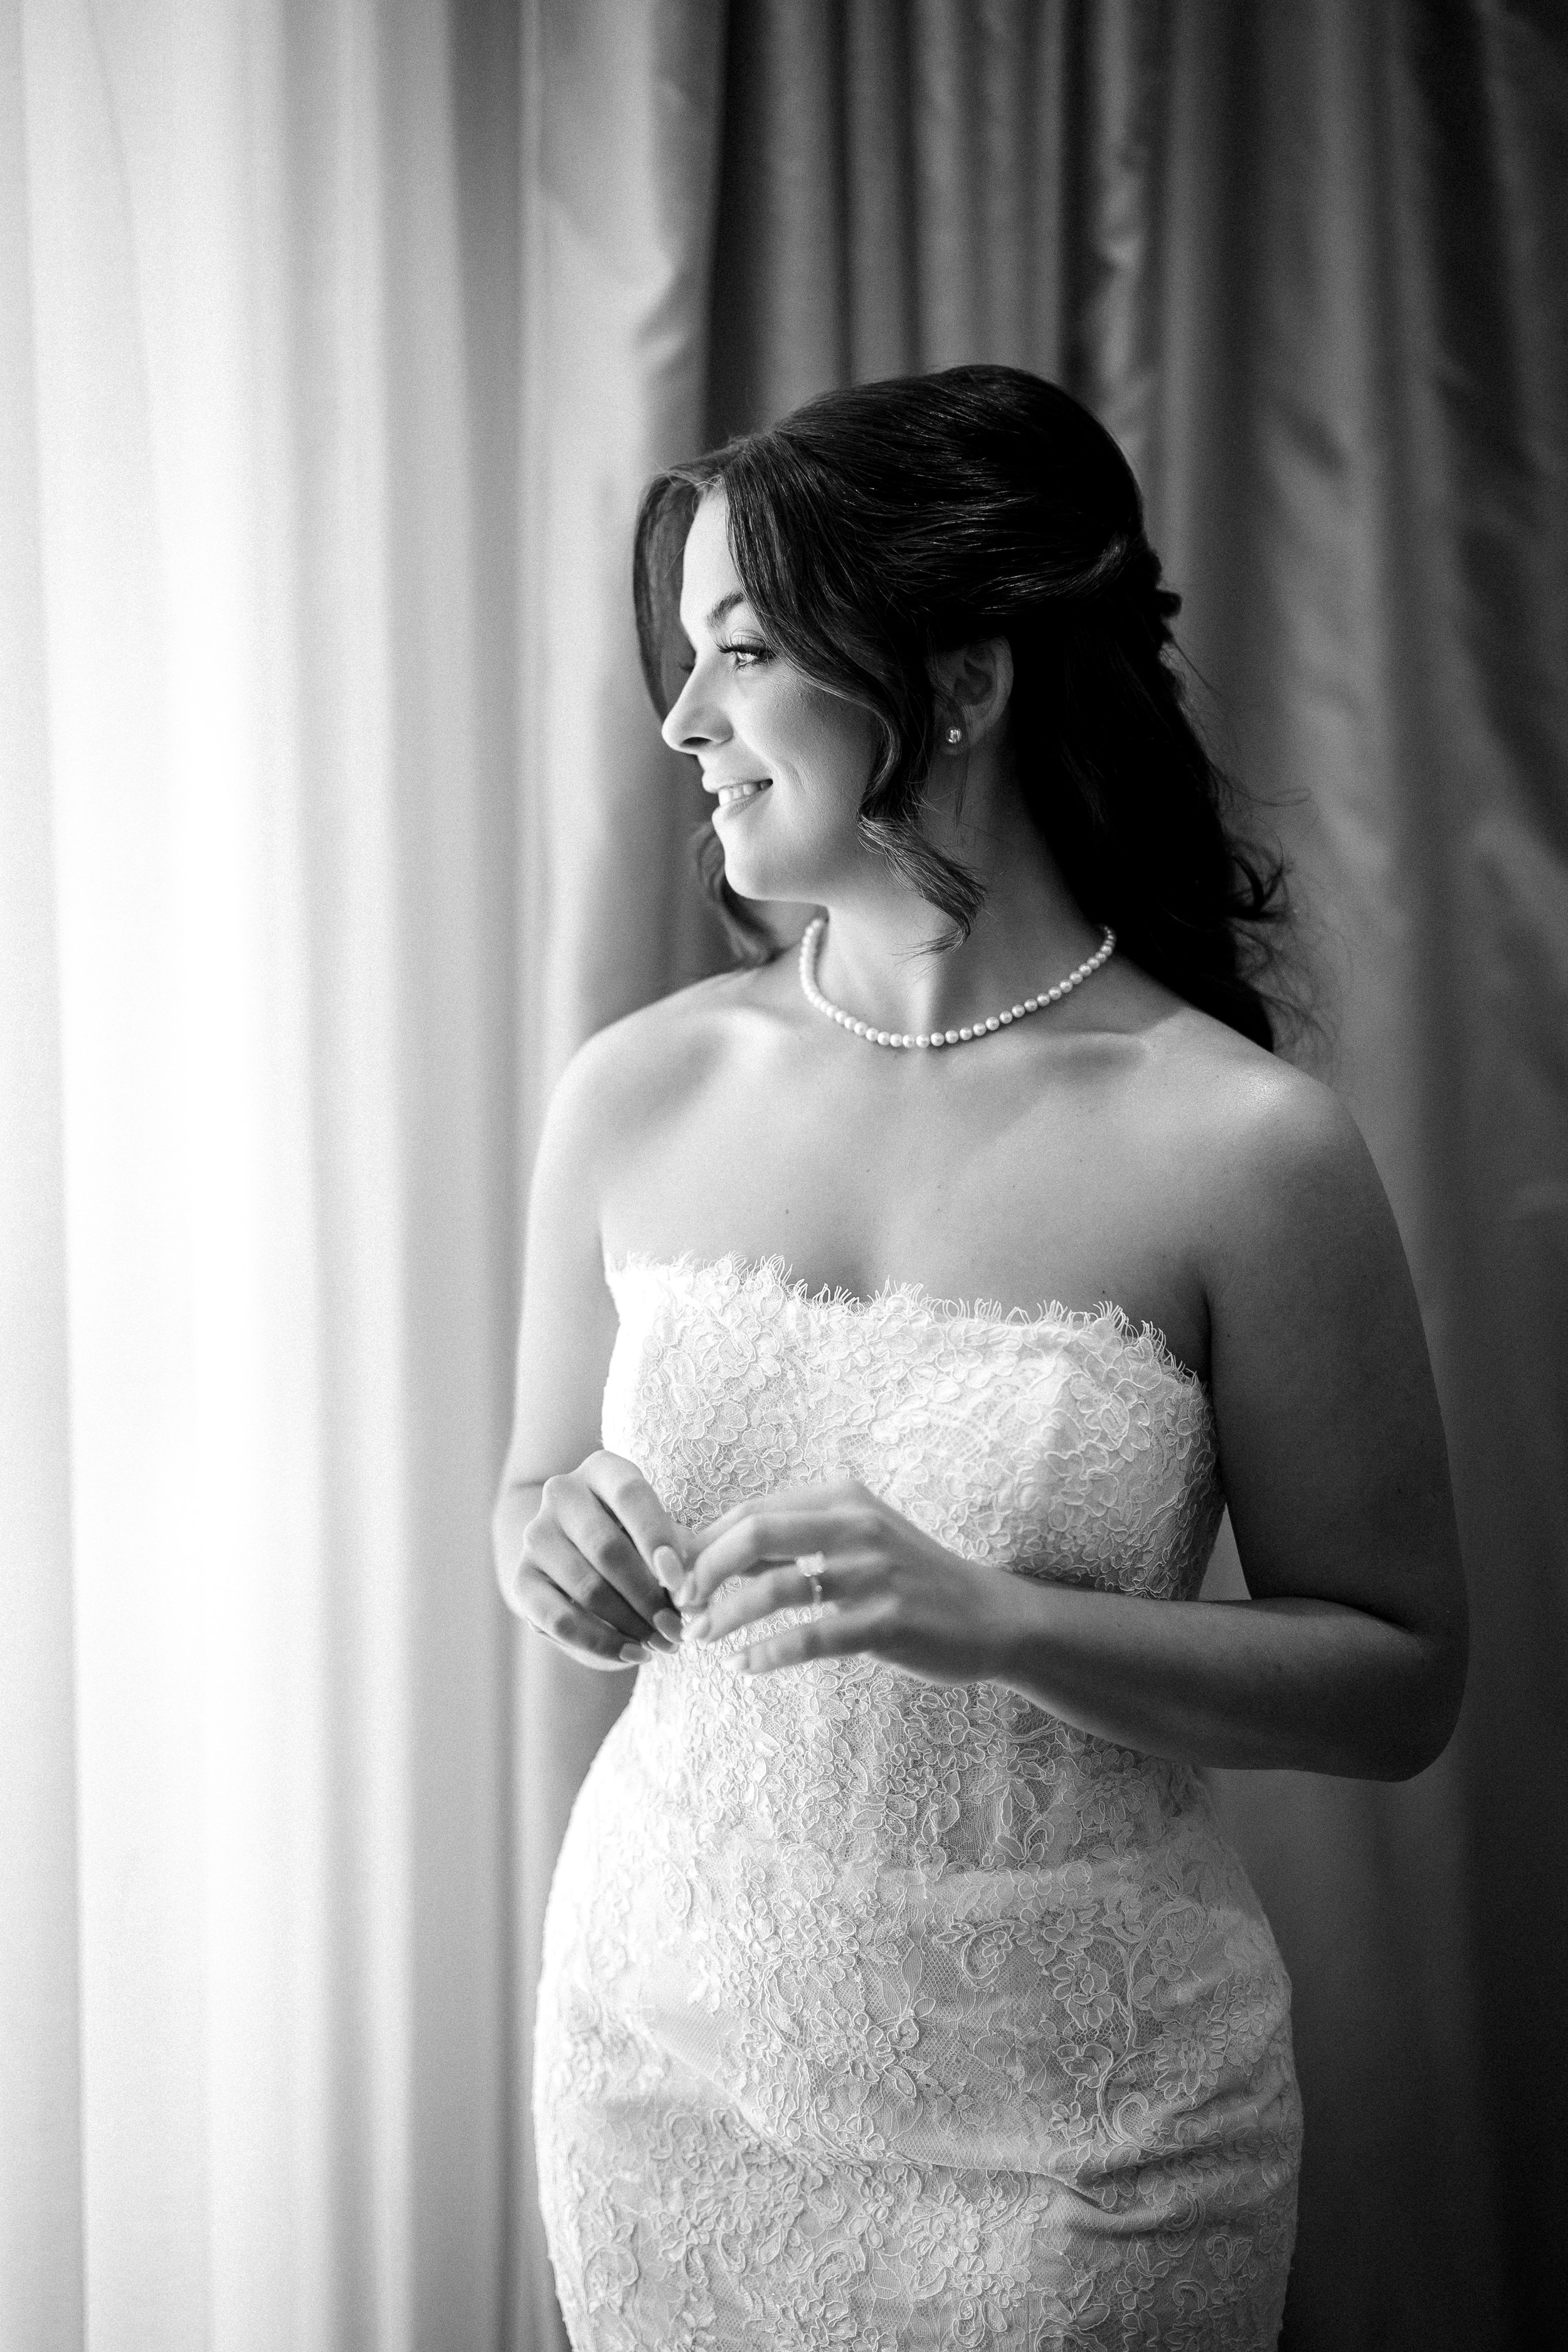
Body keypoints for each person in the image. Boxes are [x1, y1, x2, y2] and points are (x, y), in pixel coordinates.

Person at [492, 364, 1468, 2351]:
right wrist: (546, 1539)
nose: (682, 722)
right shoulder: (635, 1091)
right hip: (663, 2057)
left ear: (959, 674)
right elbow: (532, 1497)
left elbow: (1394, 1680)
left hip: (1084, 2139)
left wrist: (985, 1617)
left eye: (741, 654)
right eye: (685, 660)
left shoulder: (1238, 1148)